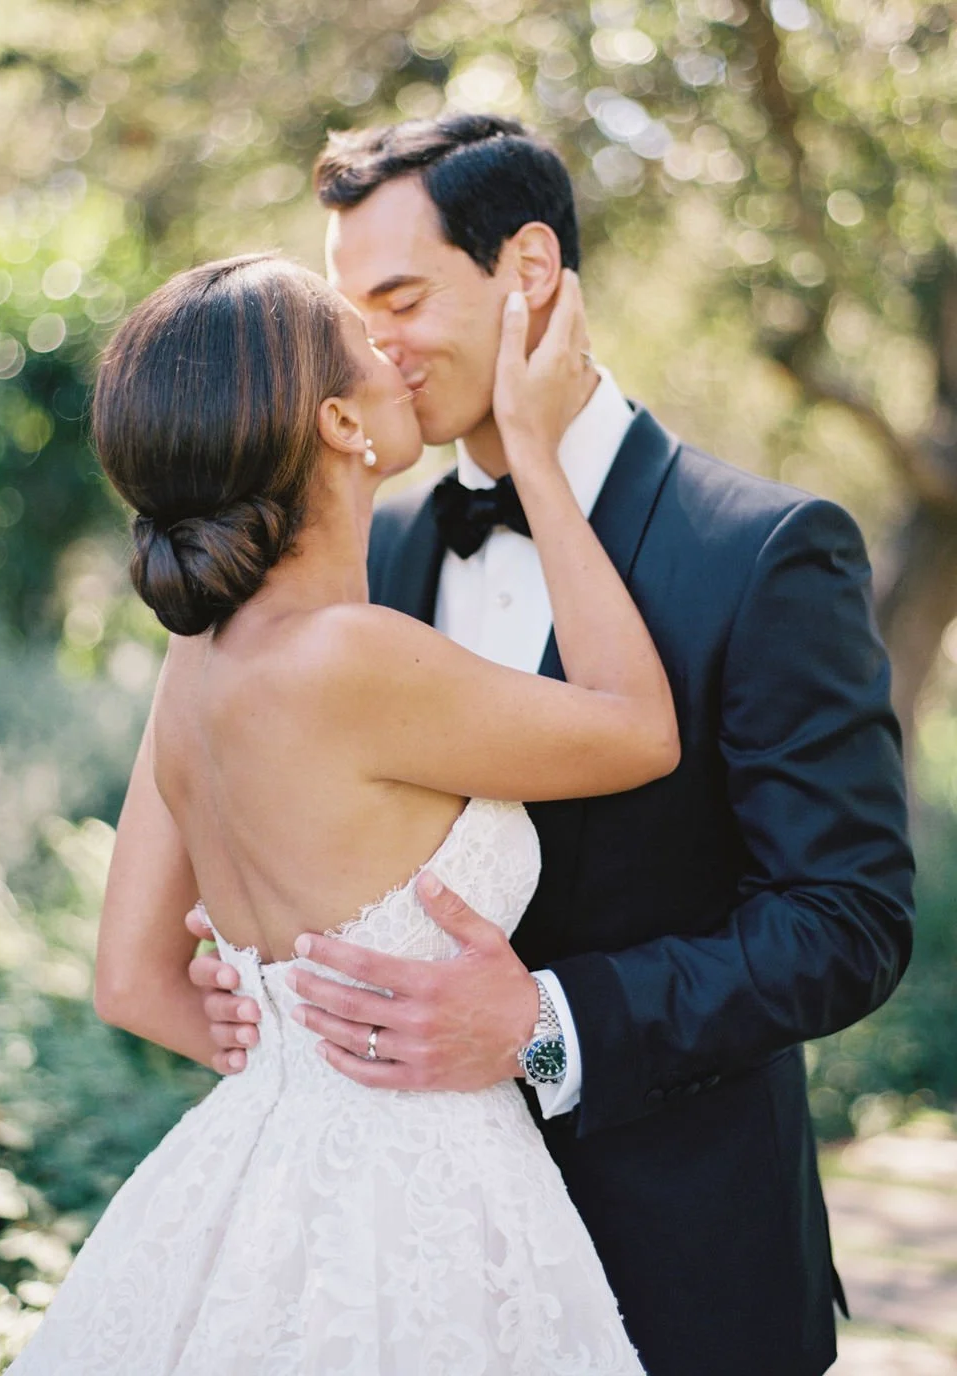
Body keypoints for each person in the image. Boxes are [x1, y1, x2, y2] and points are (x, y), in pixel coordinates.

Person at [194, 116, 916, 1376]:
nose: (374, 347)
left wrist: (544, 1020)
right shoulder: (381, 553)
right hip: (414, 1275)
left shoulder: (763, 550)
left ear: (528, 270)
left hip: (681, 1268)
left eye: (401, 298)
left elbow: (845, 920)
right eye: (353, 313)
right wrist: (265, 968)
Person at [7, 251, 678, 1373]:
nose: (396, 352)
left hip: (249, 1169)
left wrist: (285, 1049)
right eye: (367, 340)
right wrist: (538, 454)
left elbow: (130, 980)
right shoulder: (350, 657)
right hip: (417, 1191)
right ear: (339, 422)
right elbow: (639, 729)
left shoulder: (194, 665)